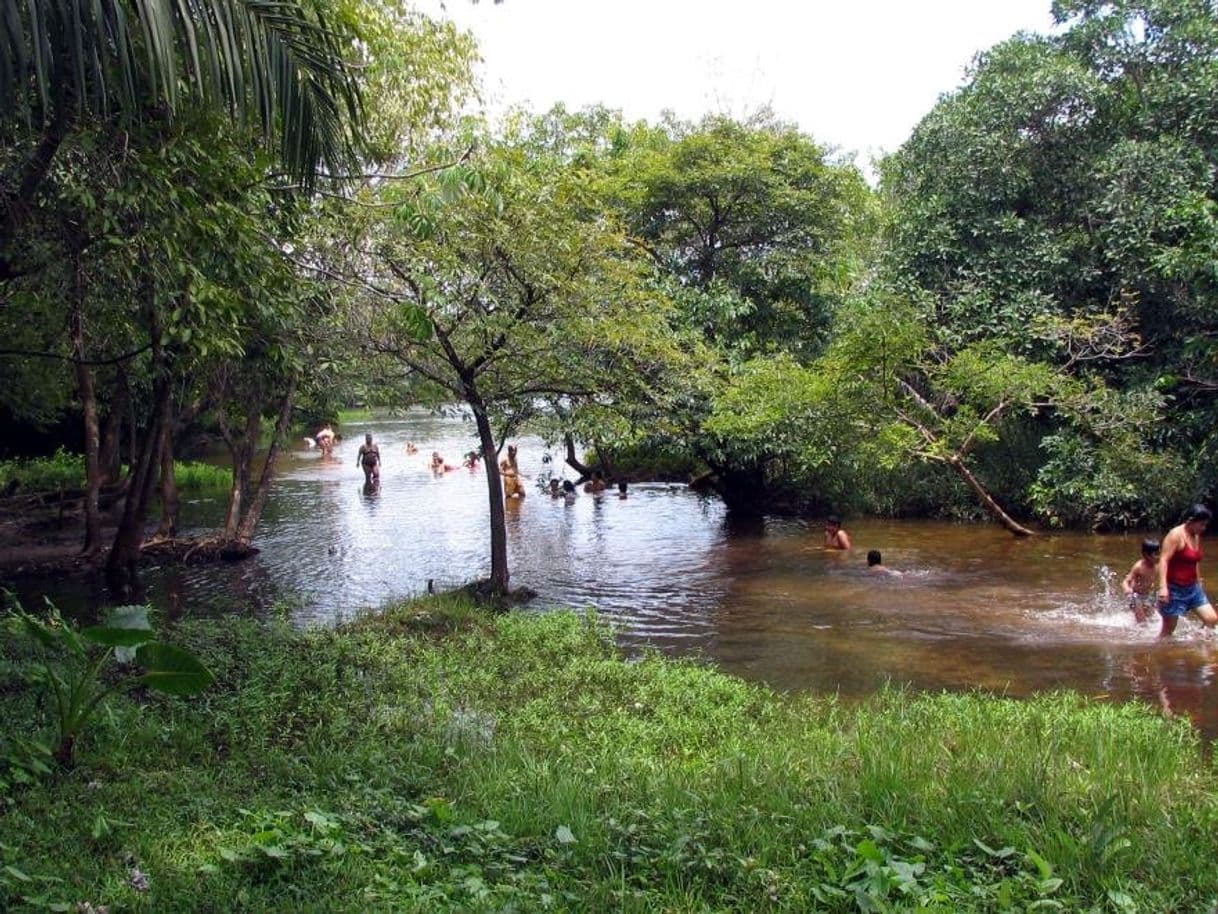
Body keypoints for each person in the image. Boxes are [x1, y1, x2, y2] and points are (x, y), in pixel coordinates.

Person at [1156, 504, 1218, 638]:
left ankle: (1197, 644)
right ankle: (1159, 655)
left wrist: (1199, 581)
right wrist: (1163, 588)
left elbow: (1194, 561)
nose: (1204, 528)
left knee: (1211, 619)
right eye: (1201, 524)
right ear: (1190, 521)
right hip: (1174, 589)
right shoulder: (1175, 535)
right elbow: (1163, 560)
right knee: (1168, 632)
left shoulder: (1195, 535)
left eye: (1205, 525)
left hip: (1193, 588)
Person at [1121, 538, 1161, 624]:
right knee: (1142, 623)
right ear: (1146, 555)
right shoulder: (1139, 567)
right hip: (1135, 596)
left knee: (1152, 619)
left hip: (1147, 596)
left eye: (1159, 553)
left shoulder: (1157, 566)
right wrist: (1127, 589)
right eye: (1156, 554)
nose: (1158, 556)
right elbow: (1125, 581)